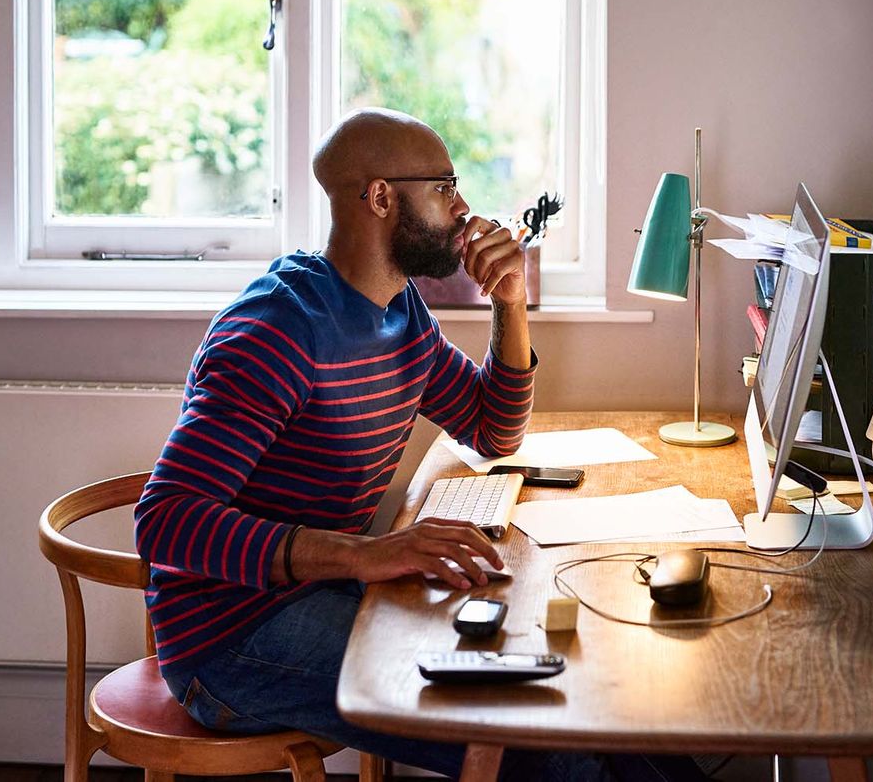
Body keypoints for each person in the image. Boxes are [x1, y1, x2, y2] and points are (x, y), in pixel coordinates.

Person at [134, 109, 707, 781]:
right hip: (231, 639)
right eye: (443, 187)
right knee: (551, 742)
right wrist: (367, 554)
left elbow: (493, 431)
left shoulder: (400, 313)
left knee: (596, 697)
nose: (464, 208)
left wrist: (511, 301)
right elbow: (164, 523)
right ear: (380, 197)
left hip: (327, 592)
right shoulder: (277, 332)